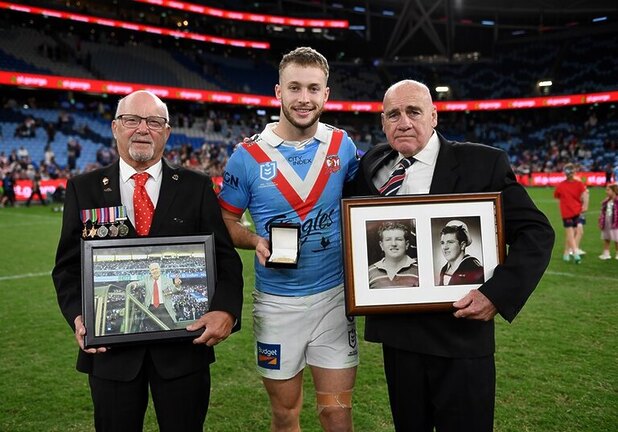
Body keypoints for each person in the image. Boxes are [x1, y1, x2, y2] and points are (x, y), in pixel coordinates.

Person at [346, 79, 554, 432]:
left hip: (461, 335)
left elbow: (536, 233)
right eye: (393, 114)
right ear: (383, 123)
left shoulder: (482, 163)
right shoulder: (372, 167)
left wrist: (495, 294)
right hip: (400, 339)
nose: (404, 122)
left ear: (434, 115)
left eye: (413, 112)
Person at [52, 90, 243, 432]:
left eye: (154, 121)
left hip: (184, 351)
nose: (143, 128)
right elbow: (67, 268)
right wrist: (79, 316)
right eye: (132, 120)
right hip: (111, 354)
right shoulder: (85, 188)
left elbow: (226, 261)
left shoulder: (195, 187)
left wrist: (226, 310)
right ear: (115, 127)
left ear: (167, 132)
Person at [218, 47, 359, 431]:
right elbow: (226, 220)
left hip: (334, 299)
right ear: (277, 92)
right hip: (277, 306)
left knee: (336, 412)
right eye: (294, 87)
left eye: (313, 89)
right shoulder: (245, 157)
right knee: (285, 414)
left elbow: (362, 205)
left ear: (326, 95)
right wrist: (254, 241)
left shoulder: (343, 147)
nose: (304, 98)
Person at [125, 262, 183, 330]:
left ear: (160, 269)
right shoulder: (147, 279)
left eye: (156, 269)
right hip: (151, 309)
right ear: (150, 272)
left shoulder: (167, 280)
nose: (155, 271)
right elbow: (139, 283)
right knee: (153, 330)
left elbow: (173, 291)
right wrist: (135, 284)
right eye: (152, 270)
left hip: (164, 308)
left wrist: (177, 285)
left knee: (169, 329)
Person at [554, 163, 589, 263]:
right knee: (572, 233)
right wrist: (584, 205)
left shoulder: (562, 185)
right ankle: (575, 253)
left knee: (572, 233)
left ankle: (568, 253)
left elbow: (556, 195)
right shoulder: (578, 184)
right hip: (575, 211)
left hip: (570, 212)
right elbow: (585, 195)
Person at [368, 221, 419, 289]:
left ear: (406, 245)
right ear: (381, 245)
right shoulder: (369, 273)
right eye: (388, 240)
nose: (393, 244)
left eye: (398, 239)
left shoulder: (419, 271)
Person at [438, 220, 484, 285]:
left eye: (450, 242)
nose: (445, 247)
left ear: (462, 245)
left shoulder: (475, 269)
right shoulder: (444, 269)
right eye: (442, 243)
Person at [598, 183, 618, 260]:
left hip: (615, 223)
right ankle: (606, 253)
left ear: (614, 191)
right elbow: (602, 212)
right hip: (606, 223)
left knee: (616, 239)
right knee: (606, 238)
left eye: (608, 190)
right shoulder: (606, 201)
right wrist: (600, 221)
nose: (606, 191)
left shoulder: (617, 200)